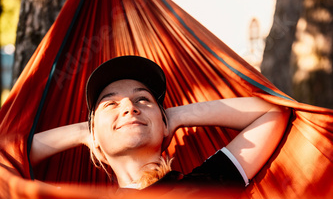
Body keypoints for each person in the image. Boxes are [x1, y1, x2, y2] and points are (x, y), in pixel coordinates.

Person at [30, 55, 290, 190]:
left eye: (142, 100)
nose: (130, 107)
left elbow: (273, 112)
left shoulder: (206, 185)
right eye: (111, 103)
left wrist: (174, 117)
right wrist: (86, 133)